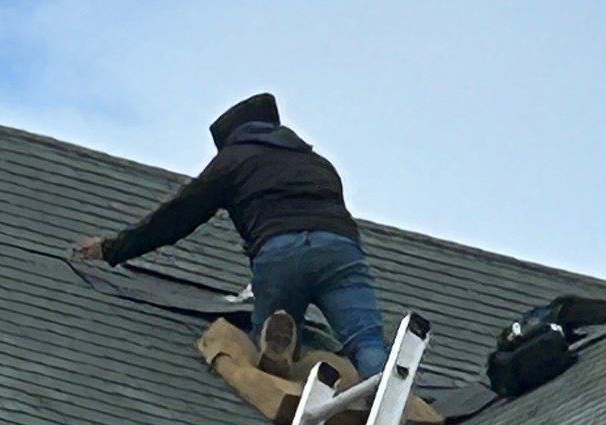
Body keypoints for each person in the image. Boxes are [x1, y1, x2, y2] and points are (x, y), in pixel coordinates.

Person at [74, 93, 391, 377]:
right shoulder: (319, 164)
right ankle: (388, 400)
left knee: (271, 344)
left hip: (280, 251)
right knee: (366, 339)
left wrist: (113, 249)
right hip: (339, 248)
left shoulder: (232, 160)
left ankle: (276, 347)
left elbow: (178, 216)